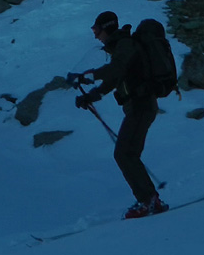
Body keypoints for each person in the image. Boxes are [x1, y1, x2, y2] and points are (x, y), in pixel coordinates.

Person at [72, 11, 169, 219]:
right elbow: (115, 78)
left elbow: (116, 69)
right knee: (127, 154)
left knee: (124, 154)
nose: (96, 35)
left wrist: (88, 76)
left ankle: (148, 200)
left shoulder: (125, 45)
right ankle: (151, 200)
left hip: (141, 106)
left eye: (96, 30)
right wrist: (91, 96)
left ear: (106, 28)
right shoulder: (121, 46)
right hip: (139, 106)